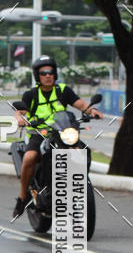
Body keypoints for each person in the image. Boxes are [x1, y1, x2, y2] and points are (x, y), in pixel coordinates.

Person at [12, 55, 102, 218]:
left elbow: (81, 105)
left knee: (82, 150)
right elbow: (20, 112)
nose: (48, 75)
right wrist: (20, 120)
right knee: (29, 157)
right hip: (39, 134)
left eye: (51, 72)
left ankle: (78, 183)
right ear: (37, 76)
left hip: (63, 133)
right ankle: (22, 197)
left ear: (55, 74)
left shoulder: (63, 91)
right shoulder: (31, 95)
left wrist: (92, 111)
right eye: (44, 73)